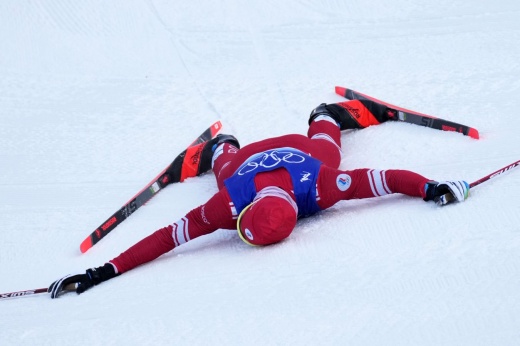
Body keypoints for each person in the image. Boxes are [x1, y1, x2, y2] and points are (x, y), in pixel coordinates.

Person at [49, 99, 470, 298]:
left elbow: (167, 238)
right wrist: (104, 270)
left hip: (278, 156)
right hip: (281, 155)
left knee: (267, 163)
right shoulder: (313, 187)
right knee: (324, 153)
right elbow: (386, 178)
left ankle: (222, 147)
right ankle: (322, 116)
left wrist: (430, 188)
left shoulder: (308, 188)